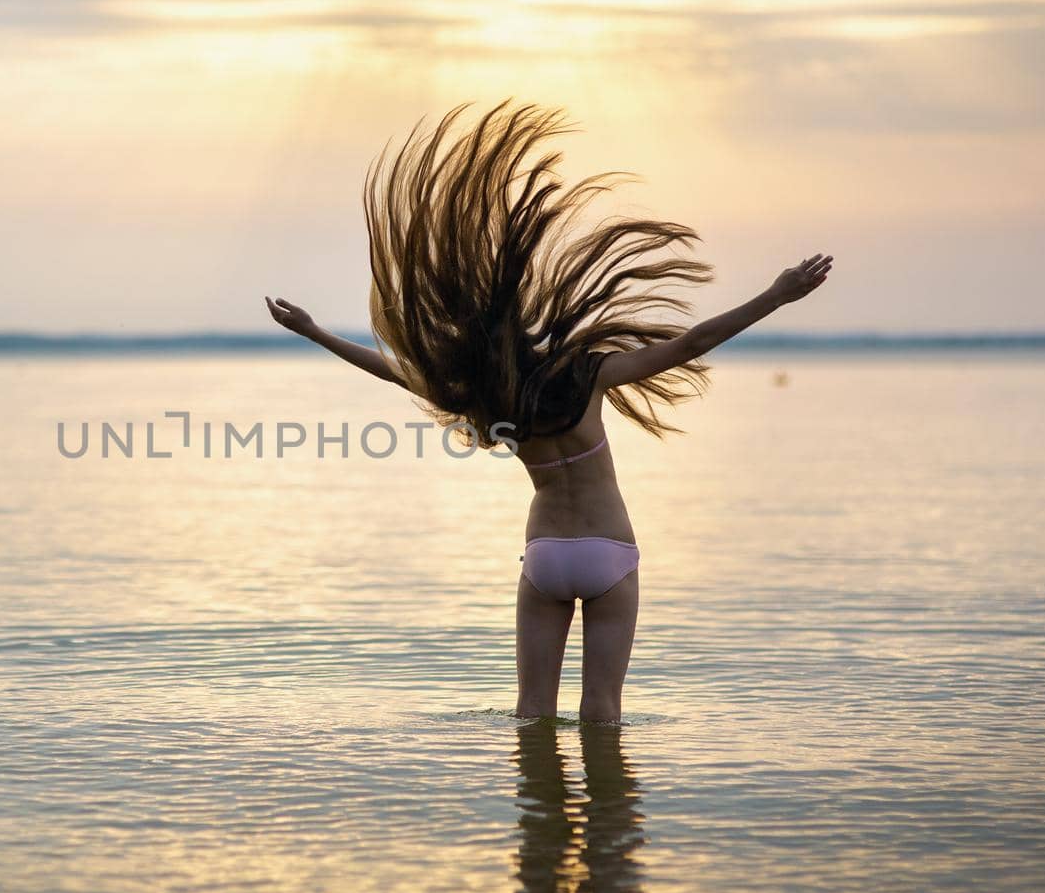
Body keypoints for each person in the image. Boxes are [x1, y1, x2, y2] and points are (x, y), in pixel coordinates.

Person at [266, 99, 832, 721]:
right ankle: (609, 810)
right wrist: (777, 296)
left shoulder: (493, 399)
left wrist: (316, 333)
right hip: (608, 553)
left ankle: (538, 812)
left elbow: (400, 373)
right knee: (603, 711)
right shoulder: (586, 376)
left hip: (545, 557)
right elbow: (692, 344)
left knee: (531, 713)